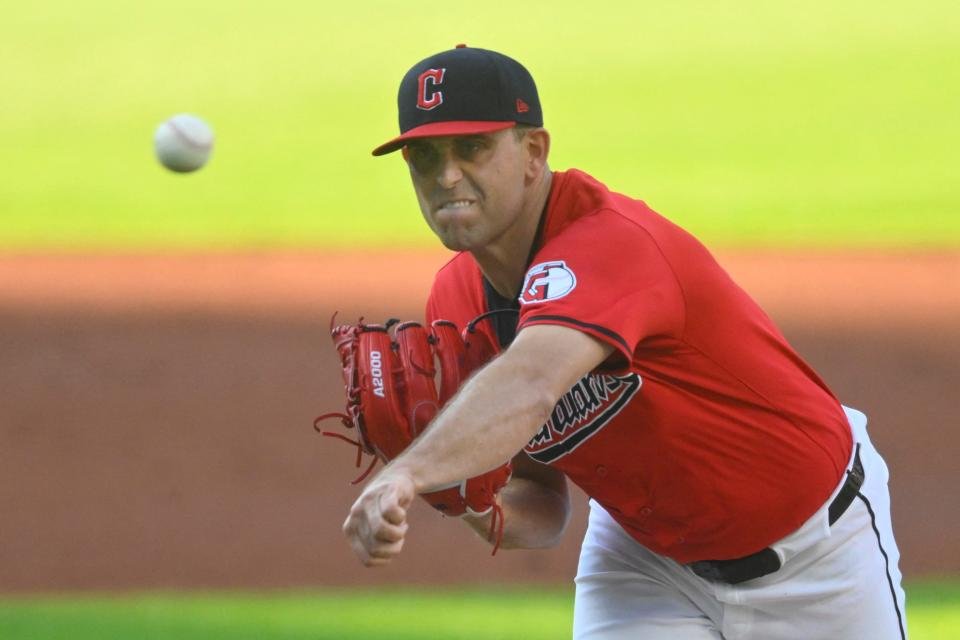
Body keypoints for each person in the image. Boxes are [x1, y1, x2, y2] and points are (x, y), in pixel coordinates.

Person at [343, 44, 907, 639]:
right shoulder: (455, 302)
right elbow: (543, 507)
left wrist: (407, 470)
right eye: (424, 156)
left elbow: (532, 382)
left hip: (817, 555)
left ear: (534, 152)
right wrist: (467, 496)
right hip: (647, 564)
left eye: (473, 148)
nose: (446, 175)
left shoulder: (611, 242)